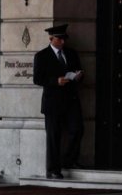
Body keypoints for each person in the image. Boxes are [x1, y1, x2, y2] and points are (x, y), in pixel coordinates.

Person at [32, 24, 84, 179]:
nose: (62, 42)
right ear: (51, 39)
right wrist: (56, 81)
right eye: (59, 39)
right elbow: (37, 79)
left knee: (78, 129)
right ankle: (53, 169)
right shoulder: (42, 55)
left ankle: (69, 160)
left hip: (71, 100)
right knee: (54, 136)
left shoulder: (71, 53)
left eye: (64, 39)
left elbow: (78, 71)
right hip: (53, 102)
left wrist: (78, 76)